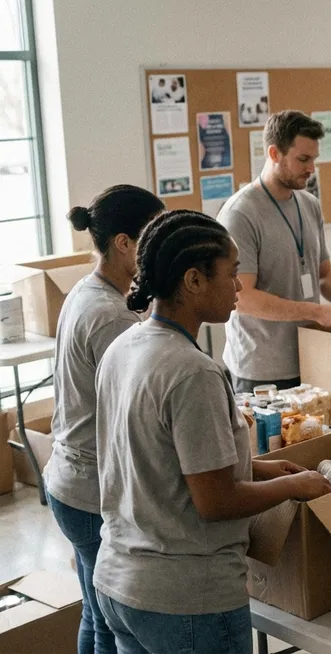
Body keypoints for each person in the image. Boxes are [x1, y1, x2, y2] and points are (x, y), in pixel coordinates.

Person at [93, 211, 331, 654]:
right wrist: (292, 485)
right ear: (194, 280)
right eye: (231, 273)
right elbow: (215, 501)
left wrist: (256, 469)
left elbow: (161, 465)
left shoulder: (124, 347)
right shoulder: (193, 373)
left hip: (121, 580)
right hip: (185, 597)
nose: (240, 285)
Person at [44, 185, 164, 654]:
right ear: (123, 244)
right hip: (89, 489)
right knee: (111, 623)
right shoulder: (110, 314)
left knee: (96, 614)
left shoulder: (90, 289)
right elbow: (140, 415)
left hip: (71, 483)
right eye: (151, 238)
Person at [218, 110, 331, 393]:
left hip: (312, 355)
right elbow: (242, 297)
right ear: (274, 153)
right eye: (303, 159)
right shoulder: (241, 213)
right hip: (261, 369)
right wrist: (317, 312)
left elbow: (324, 275)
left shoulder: (309, 204)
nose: (311, 168)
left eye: (314, 158)